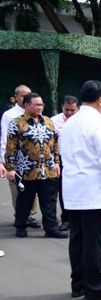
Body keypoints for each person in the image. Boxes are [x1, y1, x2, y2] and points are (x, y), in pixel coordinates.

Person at [60, 80, 101, 300]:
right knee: (93, 243)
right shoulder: (97, 124)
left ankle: (78, 284)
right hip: (95, 193)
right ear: (100, 99)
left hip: (73, 190)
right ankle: (95, 287)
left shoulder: (70, 122)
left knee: (77, 240)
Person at [4, 92, 67, 239]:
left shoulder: (48, 121)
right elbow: (10, 147)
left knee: (49, 201)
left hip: (49, 169)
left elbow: (55, 143)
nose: (40, 107)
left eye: (41, 104)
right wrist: (10, 168)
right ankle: (20, 225)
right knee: (25, 200)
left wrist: (57, 162)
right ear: (26, 105)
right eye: (37, 104)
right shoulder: (17, 123)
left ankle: (51, 228)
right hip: (27, 170)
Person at [0, 84, 41, 229]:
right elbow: (4, 138)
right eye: (23, 95)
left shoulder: (37, 113)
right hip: (16, 159)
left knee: (34, 188)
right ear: (16, 97)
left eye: (28, 95)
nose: (26, 98)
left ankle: (31, 215)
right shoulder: (9, 115)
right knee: (17, 188)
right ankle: (21, 216)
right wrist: (4, 162)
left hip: (34, 159)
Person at [51, 95, 79, 231]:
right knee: (63, 190)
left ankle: (78, 218)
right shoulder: (53, 121)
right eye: (66, 109)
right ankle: (66, 219)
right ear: (62, 107)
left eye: (72, 110)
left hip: (78, 160)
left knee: (78, 190)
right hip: (60, 160)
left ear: (77, 109)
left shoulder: (82, 122)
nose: (68, 113)